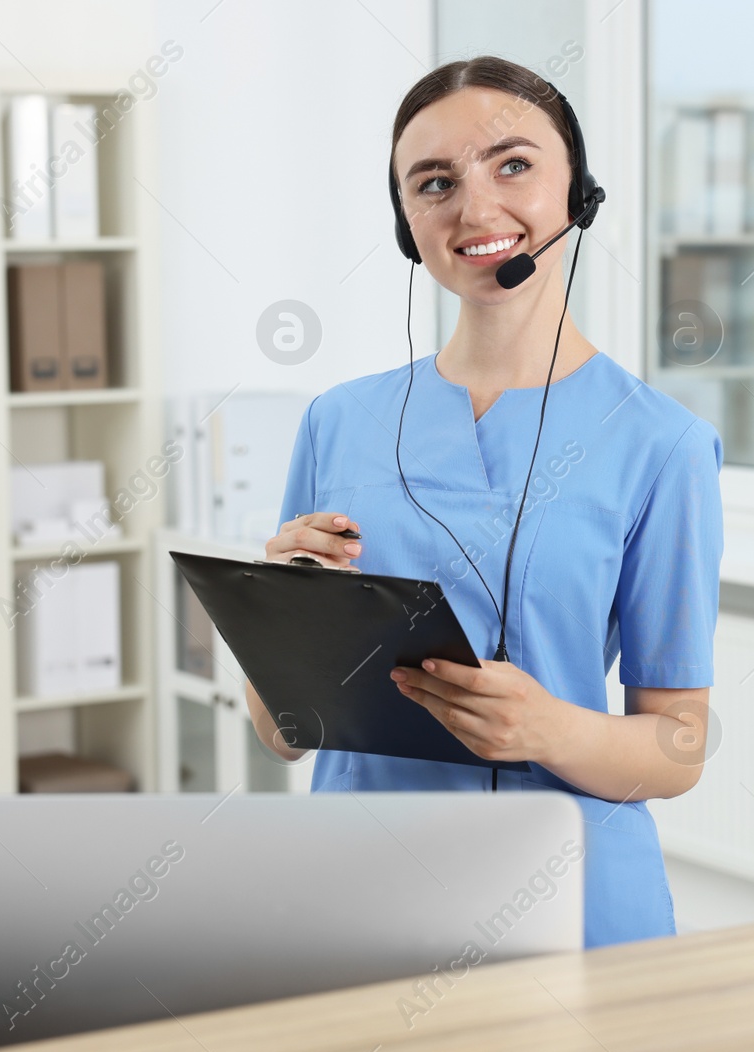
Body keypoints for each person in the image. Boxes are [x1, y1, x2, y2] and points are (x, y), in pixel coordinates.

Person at [244, 56, 724, 949]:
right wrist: (281, 619)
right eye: (435, 183)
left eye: (512, 164)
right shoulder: (337, 421)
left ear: (576, 191)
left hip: (571, 897)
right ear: (406, 224)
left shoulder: (662, 444)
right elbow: (284, 733)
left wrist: (545, 726)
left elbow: (679, 744)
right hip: (360, 897)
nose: (474, 208)